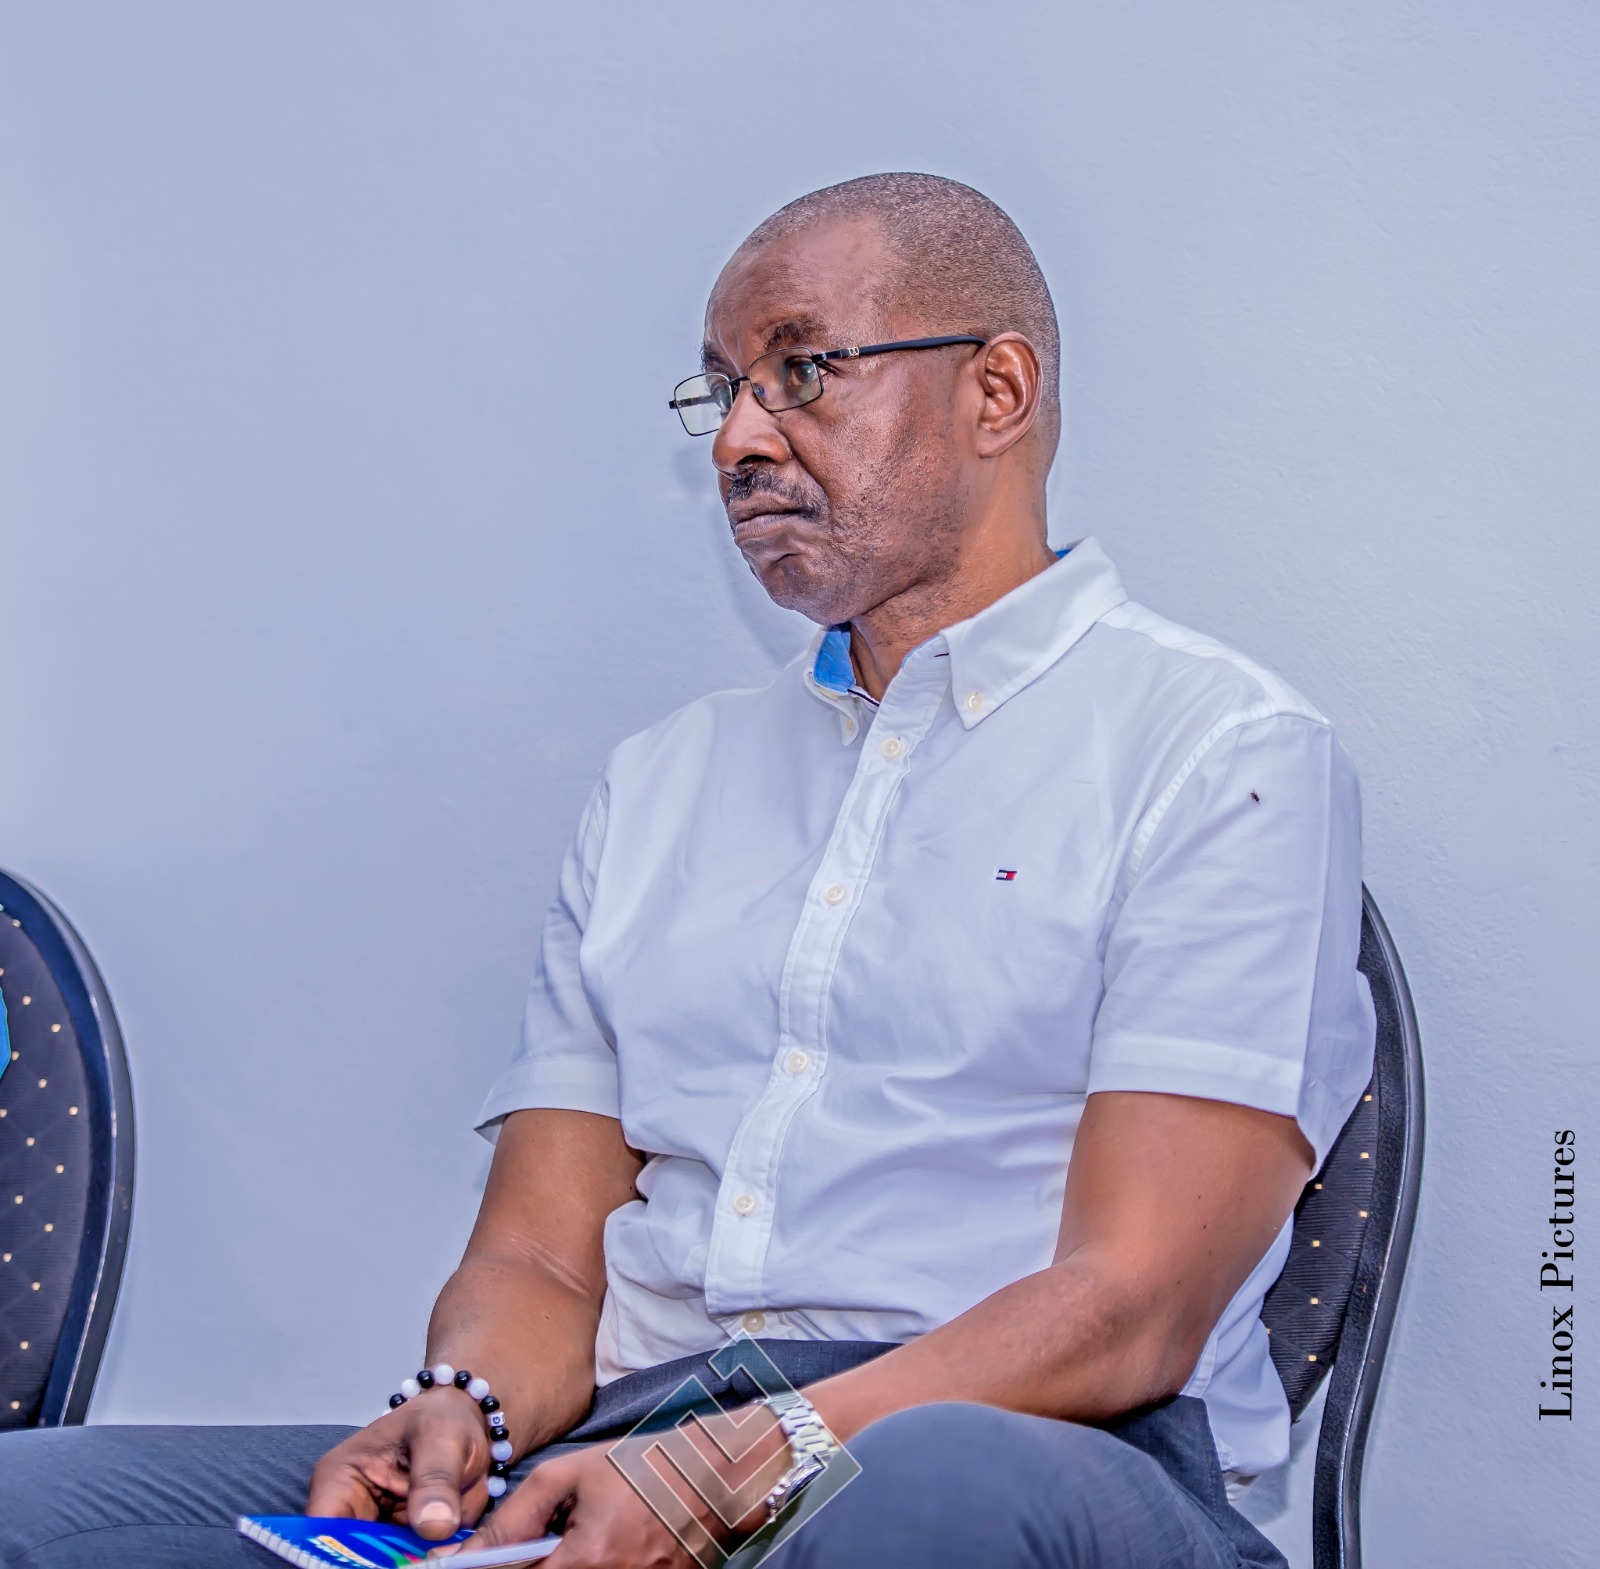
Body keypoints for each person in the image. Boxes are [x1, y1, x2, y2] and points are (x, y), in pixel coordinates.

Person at [0, 173, 1374, 1569]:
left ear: (998, 392)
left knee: (931, 1488)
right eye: (720, 390)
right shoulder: (662, 782)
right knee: (30, 1509)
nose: (736, 438)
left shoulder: (1220, 752)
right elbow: (542, 1258)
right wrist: (465, 1404)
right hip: (635, 1438)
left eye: (801, 371)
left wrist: (754, 1461)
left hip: (1026, 1451)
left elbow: (1132, 1307)